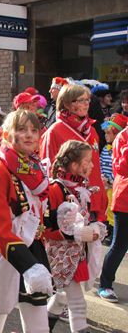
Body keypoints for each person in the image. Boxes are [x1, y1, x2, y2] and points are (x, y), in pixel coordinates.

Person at [0, 110, 52, 333]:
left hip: (33, 252)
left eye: (34, 130)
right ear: (7, 133)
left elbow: (39, 216)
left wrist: (70, 223)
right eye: (22, 129)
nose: (30, 135)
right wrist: (28, 266)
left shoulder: (37, 169)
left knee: (39, 327)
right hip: (6, 255)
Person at [45, 140, 106, 332]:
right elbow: (46, 227)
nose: (92, 165)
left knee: (62, 297)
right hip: (60, 255)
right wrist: (75, 233)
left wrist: (93, 228)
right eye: (87, 161)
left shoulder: (79, 188)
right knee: (78, 304)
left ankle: (40, 327)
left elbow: (81, 221)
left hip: (75, 254)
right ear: (73, 165)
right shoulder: (55, 189)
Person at [39, 84, 107, 223]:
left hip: (93, 198)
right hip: (68, 202)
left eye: (87, 100)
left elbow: (96, 167)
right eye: (81, 100)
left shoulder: (92, 131)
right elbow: (48, 170)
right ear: (67, 103)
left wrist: (101, 196)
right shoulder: (55, 131)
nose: (86, 103)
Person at [98, 120, 128, 303]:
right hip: (124, 199)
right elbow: (121, 167)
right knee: (119, 246)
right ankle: (105, 284)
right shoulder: (123, 137)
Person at [100, 114, 128, 244]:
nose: (105, 135)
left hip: (114, 185)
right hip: (113, 186)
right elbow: (117, 167)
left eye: (108, 132)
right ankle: (110, 230)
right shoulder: (108, 148)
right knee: (108, 209)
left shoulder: (118, 143)